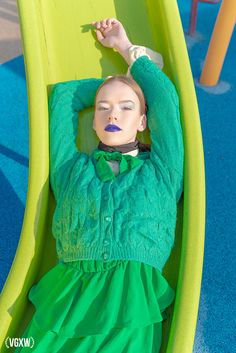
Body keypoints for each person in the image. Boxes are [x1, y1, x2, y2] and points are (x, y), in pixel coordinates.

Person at [15, 18, 184, 353]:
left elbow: (165, 98)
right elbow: (63, 97)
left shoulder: (162, 171)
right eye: (103, 107)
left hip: (132, 304)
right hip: (66, 299)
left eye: (126, 107)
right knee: (21, 344)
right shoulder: (71, 168)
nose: (113, 114)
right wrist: (109, 83)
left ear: (143, 121)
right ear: (92, 121)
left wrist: (126, 50)